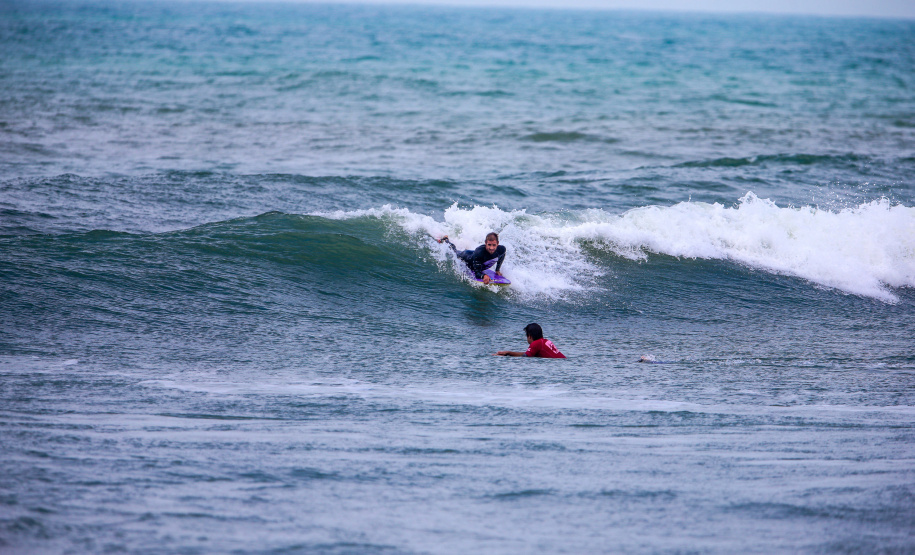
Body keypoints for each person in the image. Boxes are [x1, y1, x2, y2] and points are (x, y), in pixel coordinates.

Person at [438, 232, 506, 285]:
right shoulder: (479, 253)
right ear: (485, 243)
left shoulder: (502, 249)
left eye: (494, 245)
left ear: (497, 243)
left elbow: (502, 256)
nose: (491, 248)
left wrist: (497, 270)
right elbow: (477, 273)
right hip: (466, 257)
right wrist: (483, 276)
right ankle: (446, 240)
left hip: (473, 254)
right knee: (454, 251)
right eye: (489, 245)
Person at [494, 323, 566, 358]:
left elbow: (525, 357)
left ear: (530, 336)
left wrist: (507, 356)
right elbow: (528, 353)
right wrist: (509, 353)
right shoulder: (546, 341)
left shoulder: (536, 343)